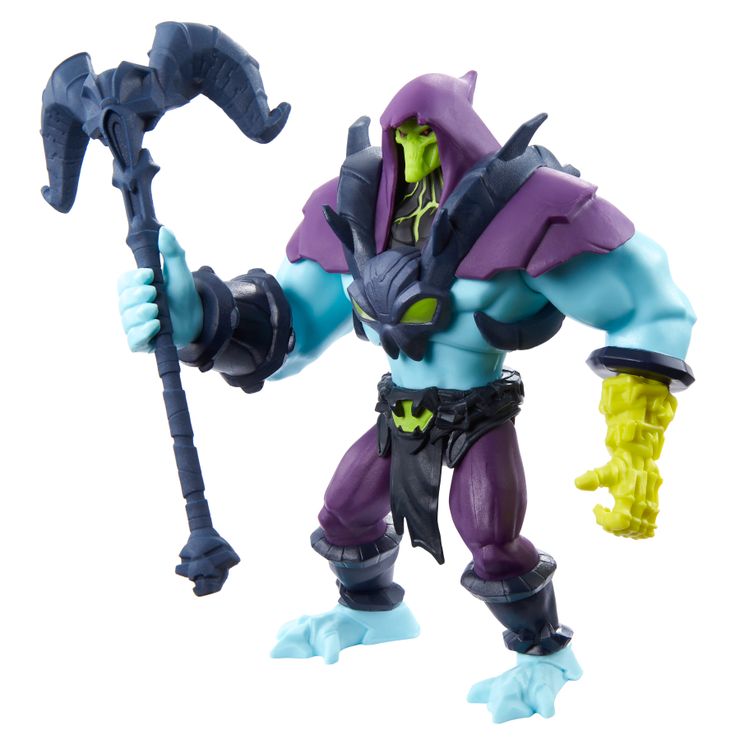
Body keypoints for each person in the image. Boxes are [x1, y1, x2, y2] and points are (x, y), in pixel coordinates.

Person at [117, 71, 695, 722]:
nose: (416, 150)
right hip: (401, 409)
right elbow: (288, 325)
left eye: (429, 135)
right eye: (404, 137)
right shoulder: (357, 217)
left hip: (478, 414)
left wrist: (633, 433)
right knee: (344, 514)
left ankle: (544, 654)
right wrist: (197, 317)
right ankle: (372, 612)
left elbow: (650, 306)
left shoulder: (529, 214)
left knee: (492, 540)